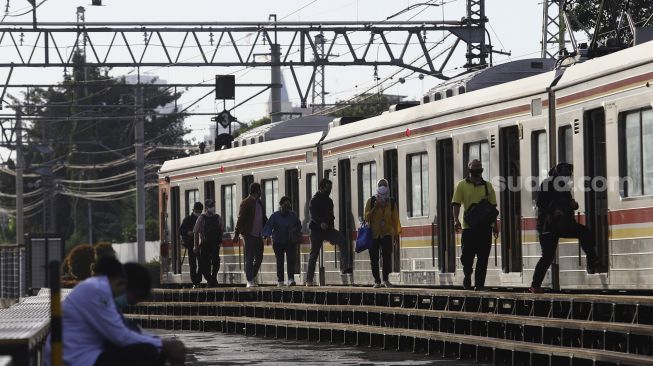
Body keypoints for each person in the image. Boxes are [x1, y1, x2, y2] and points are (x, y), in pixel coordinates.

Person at [44, 256, 185, 366]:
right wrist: (164, 344)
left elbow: (124, 331)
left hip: (83, 354)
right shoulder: (99, 291)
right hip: (75, 359)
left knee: (148, 347)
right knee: (146, 353)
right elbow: (120, 336)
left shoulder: (96, 287)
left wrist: (160, 344)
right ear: (121, 282)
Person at [529, 163, 599, 293]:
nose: (567, 177)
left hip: (563, 224)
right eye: (566, 175)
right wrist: (553, 211)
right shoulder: (547, 184)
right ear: (558, 173)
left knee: (585, 233)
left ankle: (592, 261)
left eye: (569, 175)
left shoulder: (564, 186)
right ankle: (535, 285)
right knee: (548, 256)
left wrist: (574, 204)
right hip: (547, 226)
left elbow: (569, 202)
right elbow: (540, 204)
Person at [452, 159, 499, 291]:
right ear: (469, 169)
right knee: (467, 256)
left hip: (485, 228)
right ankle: (467, 275)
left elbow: (493, 208)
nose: (477, 169)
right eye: (475, 167)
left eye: (479, 167)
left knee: (483, 258)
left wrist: (495, 225)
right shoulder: (461, 185)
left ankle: (479, 284)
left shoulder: (488, 186)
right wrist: (456, 220)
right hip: (469, 227)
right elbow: (456, 203)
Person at [305, 178, 353, 286]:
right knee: (314, 255)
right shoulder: (314, 200)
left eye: (330, 189)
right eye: (327, 188)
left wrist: (331, 229)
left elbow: (331, 216)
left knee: (341, 239)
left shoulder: (329, 201)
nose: (329, 191)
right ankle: (309, 279)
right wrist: (320, 222)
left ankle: (346, 266)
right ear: (321, 188)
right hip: (316, 231)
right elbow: (313, 215)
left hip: (328, 230)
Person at [364, 179, 401, 288]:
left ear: (388, 187)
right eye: (380, 185)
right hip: (373, 233)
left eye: (384, 185)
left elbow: (395, 219)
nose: (382, 187)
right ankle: (377, 280)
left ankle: (386, 279)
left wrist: (397, 235)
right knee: (374, 258)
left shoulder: (392, 202)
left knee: (387, 256)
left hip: (387, 233)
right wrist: (375, 207)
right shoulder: (371, 201)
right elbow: (366, 217)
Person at [233, 182, 268, 288]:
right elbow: (241, 218)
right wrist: (236, 233)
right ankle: (249, 280)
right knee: (249, 257)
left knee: (259, 257)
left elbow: (263, 217)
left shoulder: (259, 203)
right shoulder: (246, 203)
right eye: (260, 190)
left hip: (258, 234)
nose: (261, 192)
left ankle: (251, 276)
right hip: (249, 234)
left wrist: (267, 229)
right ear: (257, 191)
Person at [262, 196, 302, 286]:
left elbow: (299, 225)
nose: (286, 207)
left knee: (291, 260)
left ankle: (291, 279)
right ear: (281, 205)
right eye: (285, 205)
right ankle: (280, 280)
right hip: (278, 242)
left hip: (290, 241)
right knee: (280, 261)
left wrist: (294, 229)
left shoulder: (293, 215)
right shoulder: (275, 216)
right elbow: (269, 226)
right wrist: (267, 236)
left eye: (288, 205)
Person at [193, 199, 223, 287]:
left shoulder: (203, 218)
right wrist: (196, 246)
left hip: (208, 244)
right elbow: (221, 230)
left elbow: (196, 231)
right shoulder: (216, 217)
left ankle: (211, 280)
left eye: (213, 206)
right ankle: (212, 280)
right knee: (207, 264)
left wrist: (196, 246)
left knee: (211, 263)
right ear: (206, 207)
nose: (212, 208)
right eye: (211, 206)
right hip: (208, 244)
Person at [180, 201, 203, 287]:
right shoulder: (187, 220)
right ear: (193, 210)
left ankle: (198, 280)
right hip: (190, 244)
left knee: (201, 263)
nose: (198, 213)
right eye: (197, 211)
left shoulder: (202, 219)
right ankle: (195, 282)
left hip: (200, 245)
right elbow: (181, 230)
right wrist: (187, 232)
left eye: (200, 211)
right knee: (193, 264)